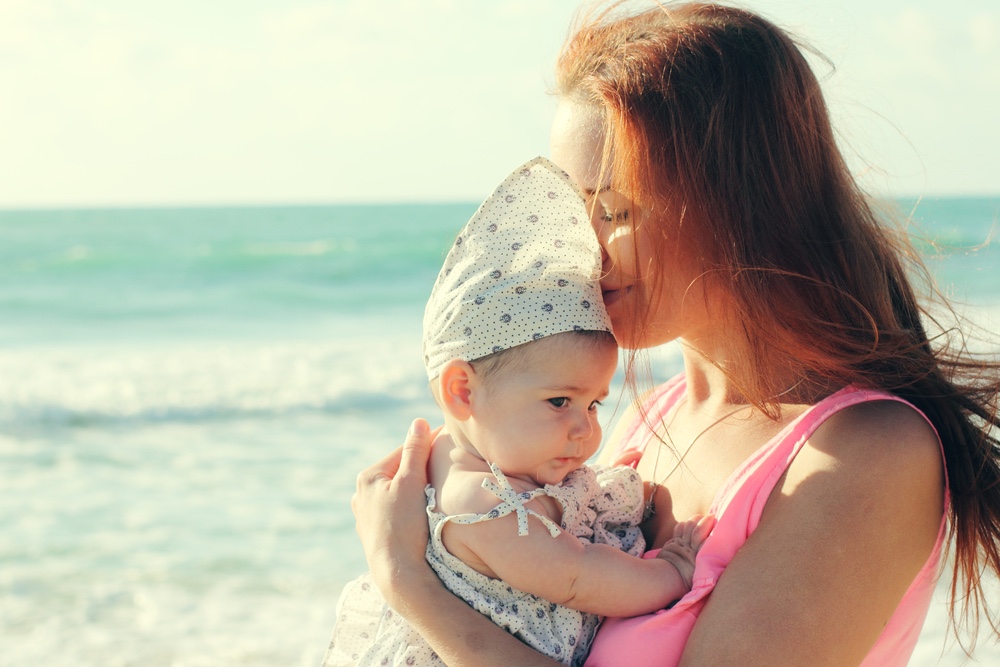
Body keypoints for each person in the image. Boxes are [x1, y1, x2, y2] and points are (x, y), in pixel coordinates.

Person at [350, 3, 1000, 666]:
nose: (582, 247)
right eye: (571, 213)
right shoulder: (641, 423)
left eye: (614, 210)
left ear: (738, 199)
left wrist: (409, 583)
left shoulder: (866, 455)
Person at [325, 157, 714, 667]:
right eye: (560, 402)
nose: (586, 428)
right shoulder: (480, 500)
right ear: (461, 389)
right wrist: (671, 575)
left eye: (594, 403)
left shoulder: (479, 457)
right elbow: (578, 576)